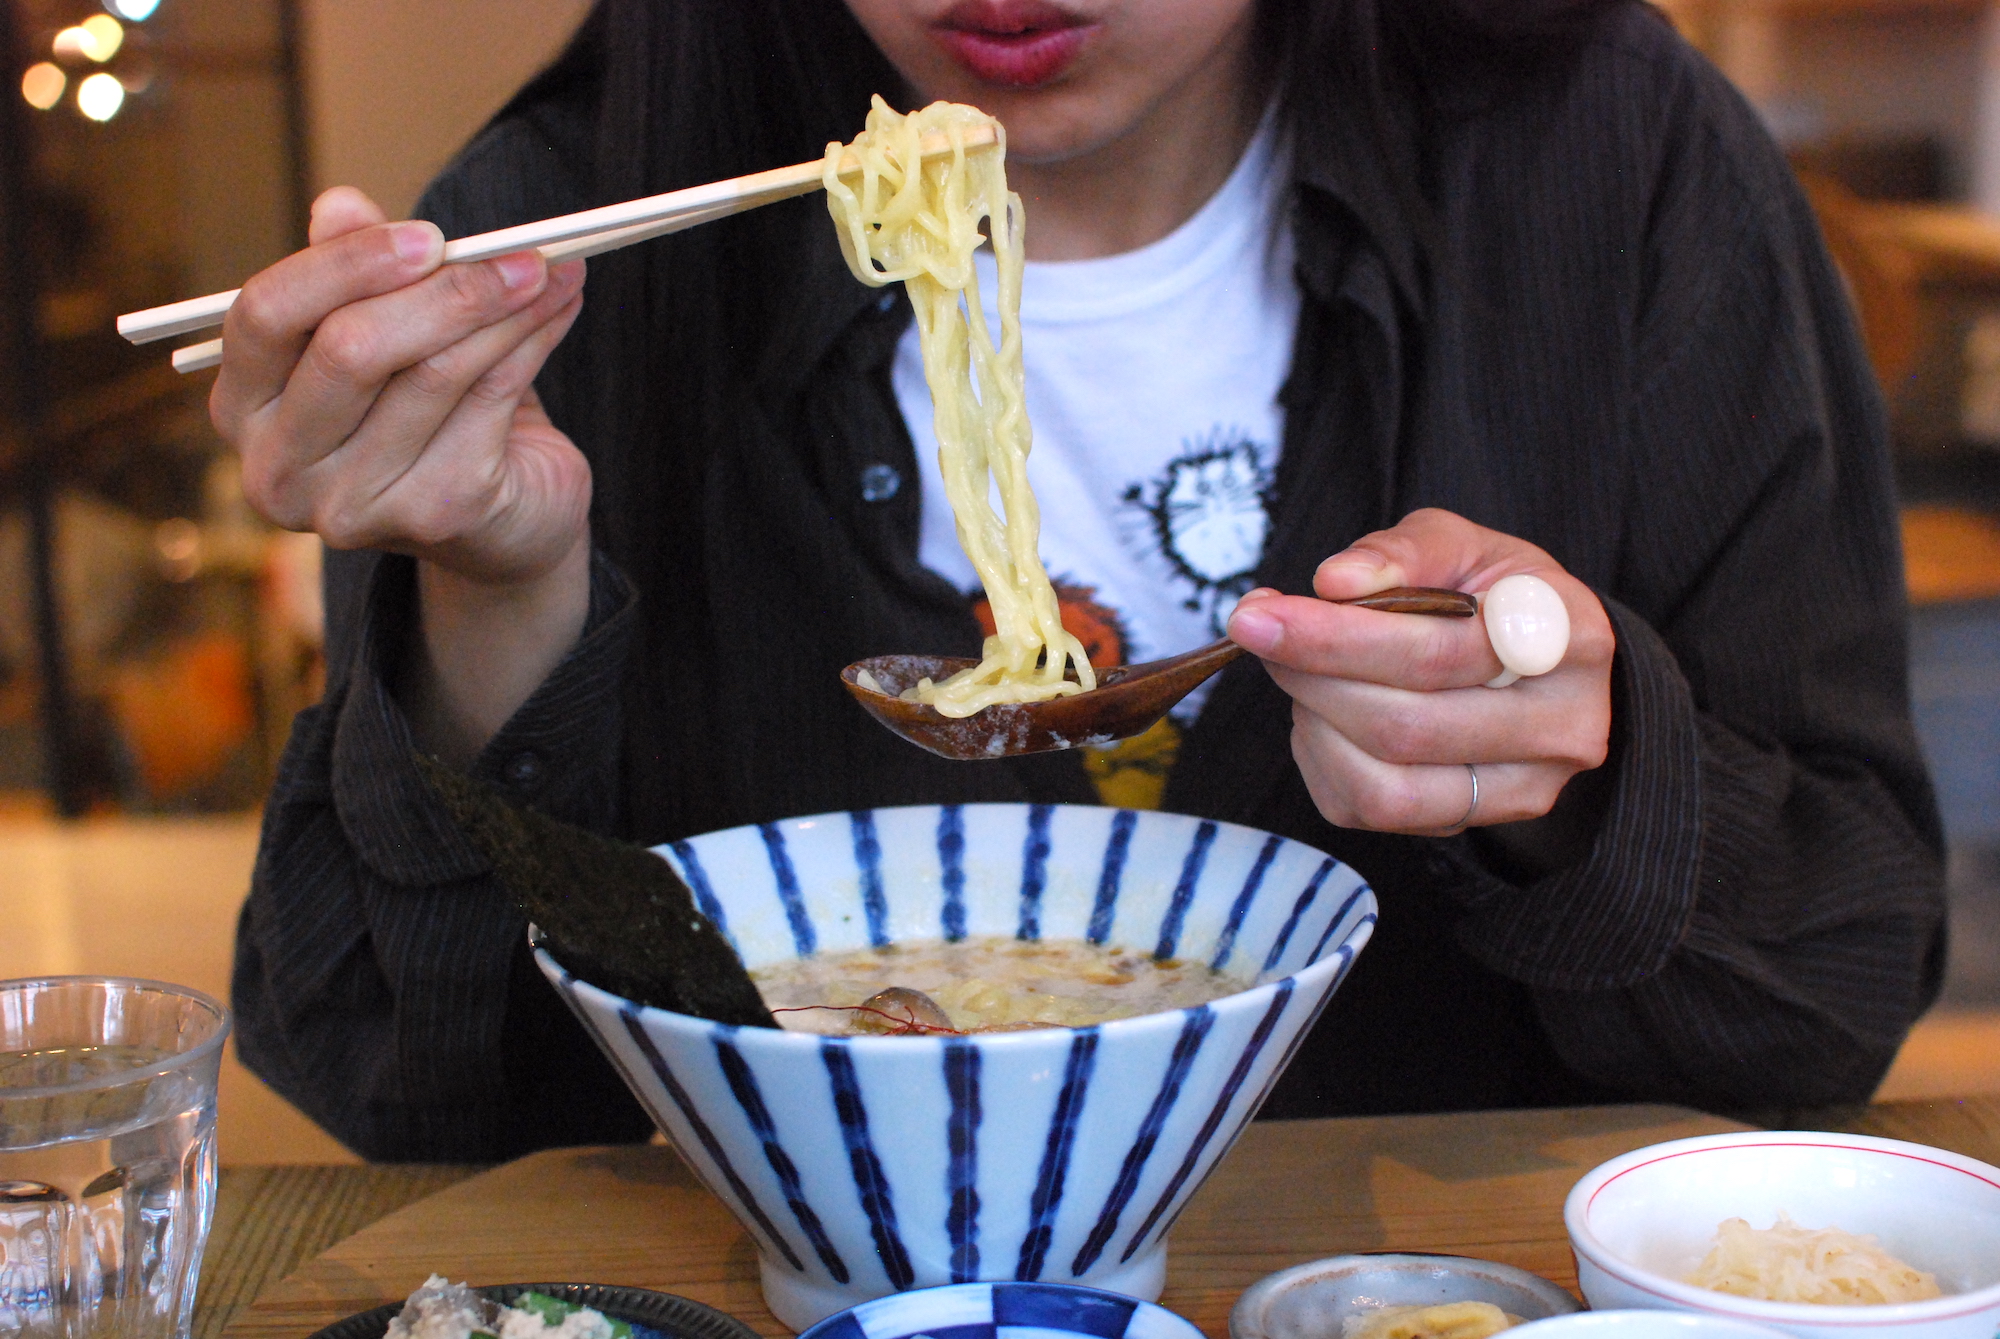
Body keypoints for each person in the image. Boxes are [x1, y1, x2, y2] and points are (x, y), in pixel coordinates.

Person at [221, 0, 1946, 1162]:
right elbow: (401, 1089)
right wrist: (494, 594)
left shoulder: (1606, 158)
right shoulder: (572, 222)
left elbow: (1838, 992)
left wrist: (1587, 770)